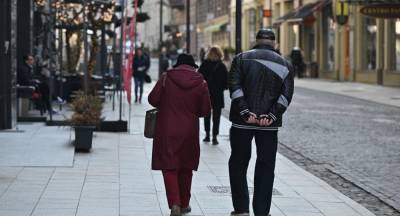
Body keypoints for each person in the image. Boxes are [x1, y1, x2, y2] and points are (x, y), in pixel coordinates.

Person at [228, 29, 294, 216]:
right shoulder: (285, 64)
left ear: (256, 40)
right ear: (274, 43)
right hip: (268, 126)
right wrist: (271, 115)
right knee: (266, 166)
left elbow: (234, 86)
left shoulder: (241, 58)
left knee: (238, 163)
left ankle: (241, 209)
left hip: (242, 122)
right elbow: (286, 95)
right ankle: (262, 212)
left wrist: (245, 111)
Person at [148, 54, 211, 216]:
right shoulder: (201, 82)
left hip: (167, 129)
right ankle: (184, 204)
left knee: (169, 167)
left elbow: (153, 99)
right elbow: (205, 110)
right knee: (186, 167)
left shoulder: (166, 78)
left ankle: (174, 203)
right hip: (189, 131)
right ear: (193, 66)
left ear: (177, 65)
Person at [198, 46, 228, 145]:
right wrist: (221, 87)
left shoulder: (204, 64)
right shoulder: (222, 66)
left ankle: (207, 135)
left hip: (207, 93)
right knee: (217, 116)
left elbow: (199, 78)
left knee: (207, 114)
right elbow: (226, 82)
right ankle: (214, 137)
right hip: (218, 94)